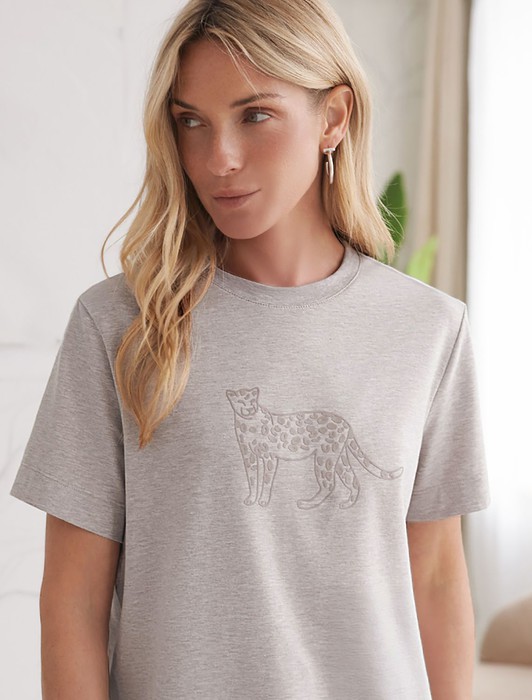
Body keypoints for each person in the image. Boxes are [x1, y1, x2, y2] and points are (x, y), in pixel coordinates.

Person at [9, 1, 491, 698]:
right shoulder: (119, 326)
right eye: (191, 122)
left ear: (333, 118)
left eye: (254, 115)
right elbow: (71, 600)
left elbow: (438, 576)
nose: (219, 159)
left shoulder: (428, 329)